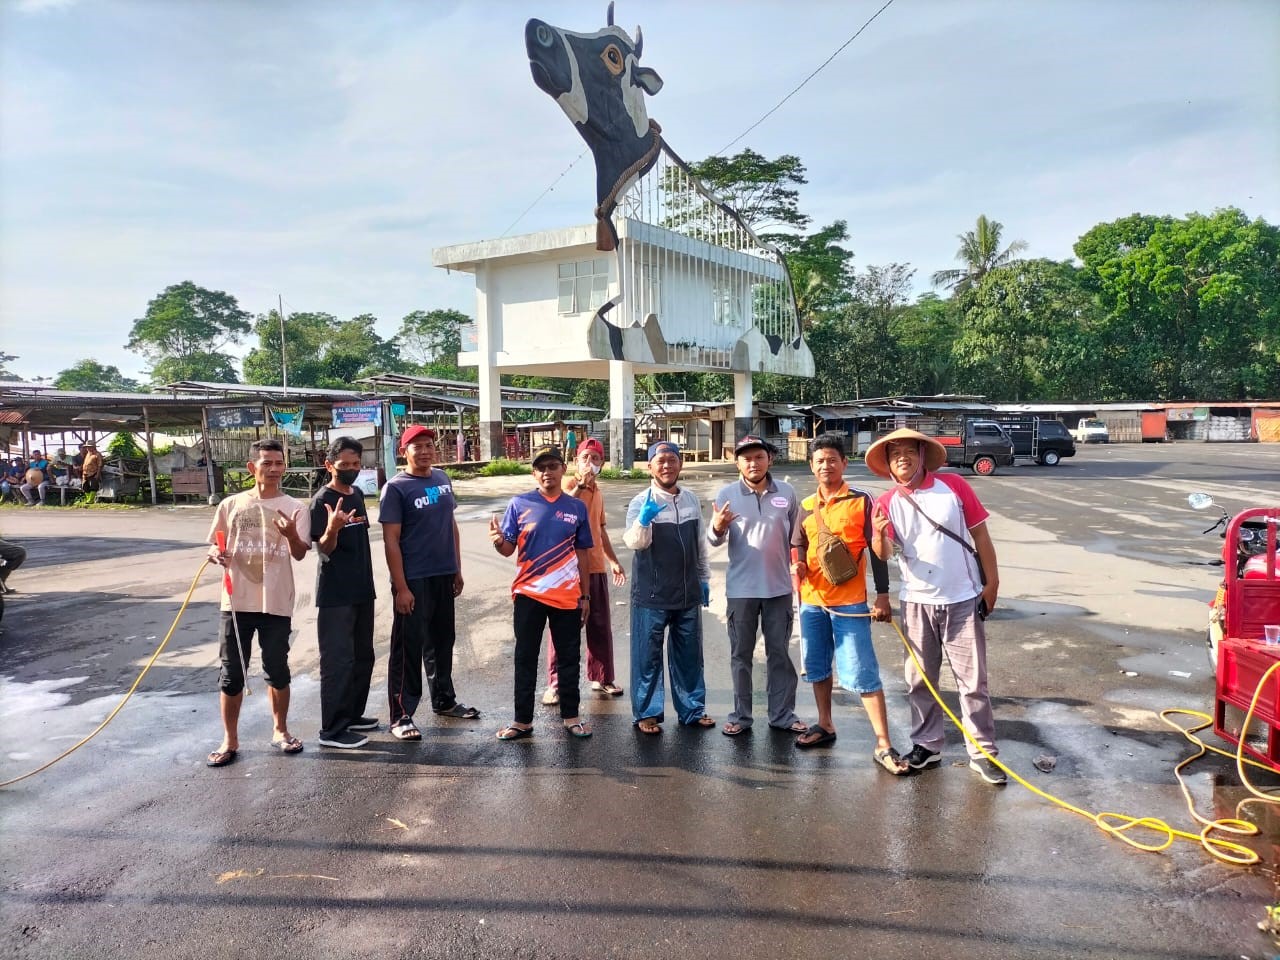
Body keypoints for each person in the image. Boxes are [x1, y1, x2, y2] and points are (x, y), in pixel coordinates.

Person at [868, 428, 1006, 785]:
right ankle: (927, 745)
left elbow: (980, 535)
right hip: (917, 601)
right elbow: (885, 554)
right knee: (919, 680)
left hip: (962, 598)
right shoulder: (885, 503)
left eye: (909, 451)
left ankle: (982, 752)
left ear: (922, 455)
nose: (902, 457)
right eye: (894, 453)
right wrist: (879, 535)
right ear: (888, 463)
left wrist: (992, 583)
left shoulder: (954, 486)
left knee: (972, 681)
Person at [789, 432, 907, 773]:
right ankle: (825, 723)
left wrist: (882, 595)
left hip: (851, 604)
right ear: (811, 466)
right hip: (812, 601)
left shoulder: (862, 501)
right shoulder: (806, 505)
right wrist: (798, 563)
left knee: (862, 671)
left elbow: (877, 548)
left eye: (832, 460)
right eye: (819, 460)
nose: (826, 465)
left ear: (844, 463)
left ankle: (883, 743)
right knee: (817, 667)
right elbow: (797, 542)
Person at [205, 437, 311, 768]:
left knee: (277, 669)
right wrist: (216, 554)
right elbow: (215, 545)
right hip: (235, 602)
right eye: (267, 463)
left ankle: (281, 731)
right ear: (253, 467)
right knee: (231, 673)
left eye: (279, 463)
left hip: (276, 601)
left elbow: (300, 552)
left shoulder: (296, 507)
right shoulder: (231, 505)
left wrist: (291, 534)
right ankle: (229, 739)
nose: (274, 469)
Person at [488, 445, 594, 740]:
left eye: (552, 466)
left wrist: (585, 595)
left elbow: (583, 553)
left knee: (569, 658)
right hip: (528, 595)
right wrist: (497, 540)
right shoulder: (519, 503)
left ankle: (571, 717)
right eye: (541, 468)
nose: (547, 472)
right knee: (525, 657)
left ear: (563, 470)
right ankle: (522, 721)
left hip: (567, 596)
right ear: (534, 474)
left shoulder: (576, 507)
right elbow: (508, 549)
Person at [379, 424, 478, 742]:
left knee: (442, 642)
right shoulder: (396, 488)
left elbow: (451, 525)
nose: (424, 451)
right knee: (408, 648)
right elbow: (391, 540)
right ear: (403, 452)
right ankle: (401, 714)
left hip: (443, 574)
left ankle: (444, 700)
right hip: (414, 579)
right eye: (417, 446)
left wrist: (456, 569)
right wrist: (401, 587)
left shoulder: (442, 479)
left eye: (429, 445)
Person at [707, 435, 807, 737]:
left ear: (769, 459)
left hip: (779, 589)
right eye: (746, 458)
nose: (753, 463)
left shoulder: (787, 493)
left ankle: (782, 715)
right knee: (741, 656)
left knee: (780, 654)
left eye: (759, 457)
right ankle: (741, 716)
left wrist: (800, 564)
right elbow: (713, 540)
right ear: (737, 463)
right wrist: (718, 527)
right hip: (741, 591)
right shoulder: (727, 494)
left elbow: (797, 538)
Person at [623, 440, 714, 734]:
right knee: (647, 657)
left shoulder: (690, 499)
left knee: (689, 656)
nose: (667, 466)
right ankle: (647, 712)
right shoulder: (640, 501)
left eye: (672, 460)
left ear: (680, 464)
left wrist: (703, 579)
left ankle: (692, 709)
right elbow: (635, 543)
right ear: (650, 467)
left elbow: (700, 543)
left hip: (687, 592)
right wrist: (643, 520)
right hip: (651, 594)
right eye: (660, 461)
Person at [541, 438, 627, 704]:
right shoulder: (568, 486)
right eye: (585, 458)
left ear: (603, 463)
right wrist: (581, 485)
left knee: (599, 625)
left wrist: (613, 560)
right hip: (567, 568)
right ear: (575, 462)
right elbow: (559, 509)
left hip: (595, 566)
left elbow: (600, 530)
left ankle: (602, 677)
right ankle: (555, 684)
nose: (590, 463)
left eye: (596, 458)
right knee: (563, 627)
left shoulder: (598, 491)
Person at [309, 436, 378, 749]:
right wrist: (332, 528)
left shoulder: (357, 494)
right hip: (336, 594)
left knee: (362, 657)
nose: (351, 469)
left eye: (356, 464)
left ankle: (351, 715)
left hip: (362, 589)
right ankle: (332, 730)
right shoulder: (322, 500)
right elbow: (323, 550)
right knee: (338, 661)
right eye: (344, 465)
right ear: (329, 465)